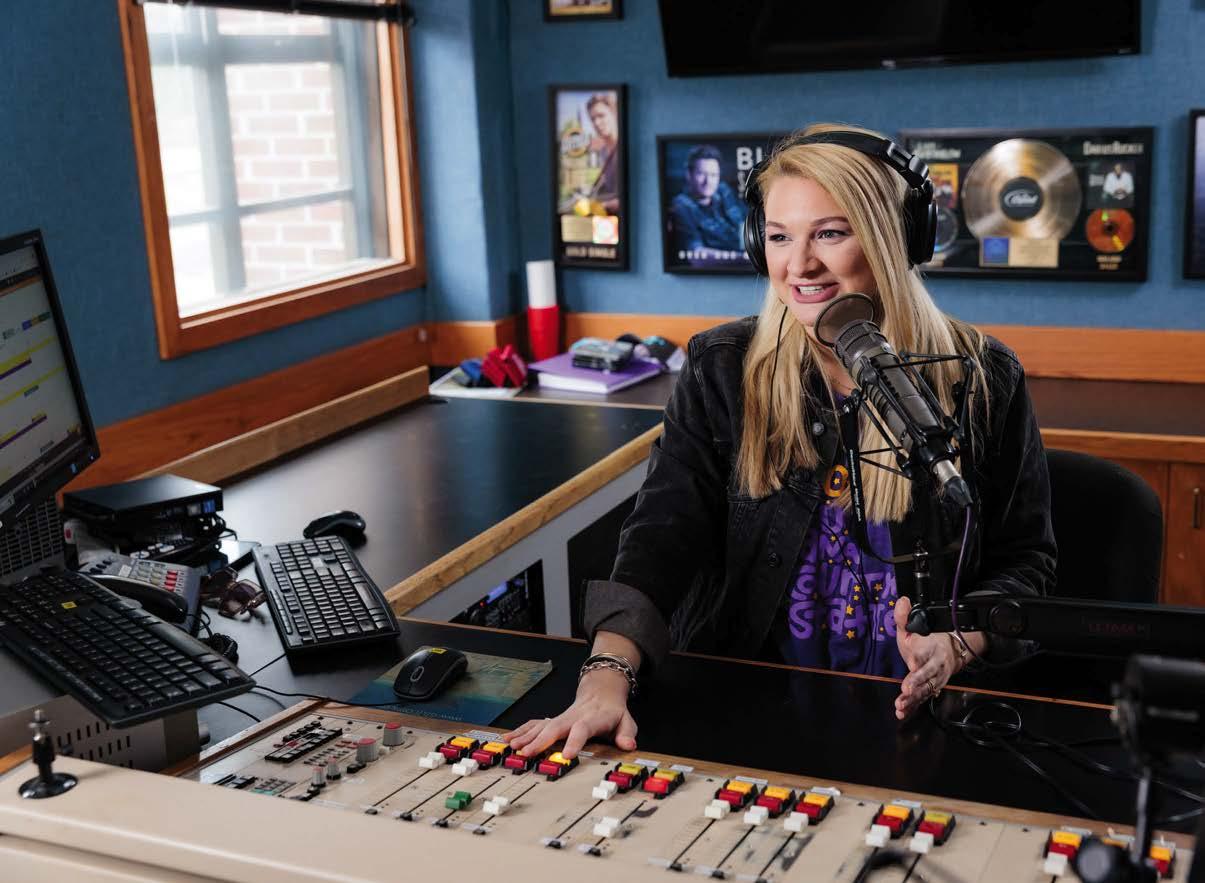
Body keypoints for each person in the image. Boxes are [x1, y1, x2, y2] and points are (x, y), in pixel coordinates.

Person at [505, 123, 1055, 761]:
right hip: (750, 711)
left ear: (895, 238)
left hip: (922, 722)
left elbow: (1028, 565)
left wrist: (958, 644)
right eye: (778, 236)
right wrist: (606, 677)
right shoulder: (722, 369)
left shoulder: (983, 378)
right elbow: (660, 537)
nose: (799, 265)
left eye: (830, 233)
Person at [668, 145, 747, 260]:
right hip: (727, 265)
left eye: (713, 175)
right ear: (689, 175)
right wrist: (742, 258)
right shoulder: (681, 207)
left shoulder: (723, 190)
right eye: (701, 174)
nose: (708, 181)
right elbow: (696, 254)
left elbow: (744, 221)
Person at [585, 93, 620, 215]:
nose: (596, 123)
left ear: (615, 114)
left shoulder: (627, 149)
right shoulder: (604, 151)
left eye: (601, 116)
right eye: (592, 119)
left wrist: (599, 206)